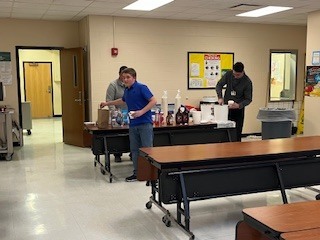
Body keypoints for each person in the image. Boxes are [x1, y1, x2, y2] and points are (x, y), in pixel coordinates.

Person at [100, 68, 157, 182]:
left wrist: (141, 112)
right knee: (134, 150)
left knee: (147, 149)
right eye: (123, 77)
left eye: (128, 77)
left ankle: (151, 174)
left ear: (134, 78)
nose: (125, 79)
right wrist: (107, 103)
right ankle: (137, 173)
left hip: (144, 124)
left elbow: (153, 101)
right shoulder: (127, 90)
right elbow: (122, 100)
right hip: (133, 124)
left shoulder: (142, 88)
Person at [216, 62, 252, 142]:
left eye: (238, 75)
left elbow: (248, 99)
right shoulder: (229, 74)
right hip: (226, 109)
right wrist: (220, 97)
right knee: (224, 132)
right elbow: (219, 85)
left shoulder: (247, 82)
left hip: (238, 111)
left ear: (243, 72)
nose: (235, 76)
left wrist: (239, 105)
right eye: (234, 74)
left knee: (236, 133)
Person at [106, 65, 127, 162]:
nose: (125, 78)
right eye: (123, 75)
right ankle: (117, 154)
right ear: (119, 74)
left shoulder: (130, 84)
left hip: (129, 113)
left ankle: (132, 153)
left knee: (130, 134)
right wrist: (115, 113)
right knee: (118, 135)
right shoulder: (113, 85)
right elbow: (109, 100)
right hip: (118, 114)